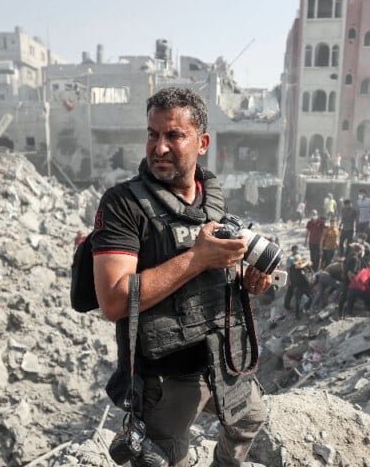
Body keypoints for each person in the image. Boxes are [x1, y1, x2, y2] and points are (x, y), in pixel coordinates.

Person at [90, 87, 268, 465]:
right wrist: (196, 258)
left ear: (201, 142)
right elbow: (114, 301)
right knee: (170, 458)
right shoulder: (123, 205)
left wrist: (246, 280)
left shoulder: (212, 200)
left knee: (251, 418)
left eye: (174, 135)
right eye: (153, 134)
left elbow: (219, 273)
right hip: (166, 379)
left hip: (222, 362)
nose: (159, 147)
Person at [284, 244, 312, 318]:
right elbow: (288, 270)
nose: (296, 250)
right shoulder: (290, 259)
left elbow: (305, 267)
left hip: (298, 279)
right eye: (295, 249)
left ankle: (295, 310)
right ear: (292, 250)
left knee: (296, 295)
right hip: (295, 279)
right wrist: (288, 279)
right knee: (291, 292)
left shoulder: (299, 256)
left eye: (297, 249)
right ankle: (287, 306)